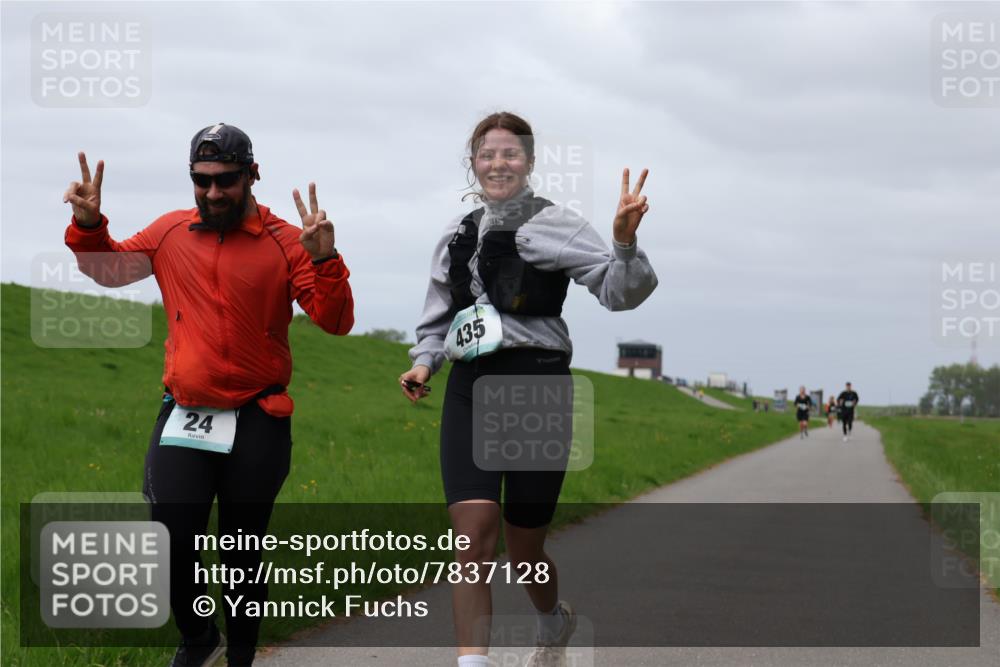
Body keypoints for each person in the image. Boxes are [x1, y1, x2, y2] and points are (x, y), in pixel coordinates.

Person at [63, 123, 355, 667]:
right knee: (169, 541)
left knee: (241, 556)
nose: (214, 192)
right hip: (186, 415)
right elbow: (111, 269)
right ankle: (200, 640)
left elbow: (335, 322)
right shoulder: (171, 231)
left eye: (226, 180)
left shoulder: (288, 242)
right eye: (202, 181)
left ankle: (241, 658)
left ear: (252, 175)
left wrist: (324, 261)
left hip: (259, 418)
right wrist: (87, 224)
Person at [398, 111, 657, 667]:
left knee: (524, 549)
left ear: (530, 162)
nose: (498, 163)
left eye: (510, 154)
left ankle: (550, 620)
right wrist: (425, 364)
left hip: (536, 384)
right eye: (487, 154)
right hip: (471, 384)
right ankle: (473, 662)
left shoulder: (556, 225)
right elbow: (439, 314)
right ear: (473, 163)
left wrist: (624, 244)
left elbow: (620, 293)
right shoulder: (456, 233)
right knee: (472, 534)